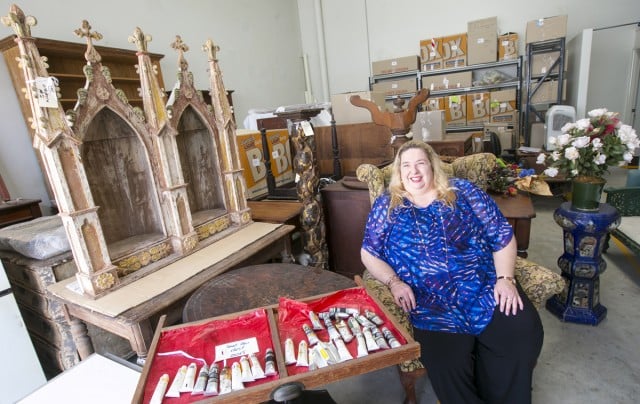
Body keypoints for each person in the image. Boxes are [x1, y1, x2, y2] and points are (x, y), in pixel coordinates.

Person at [361, 140, 543, 404]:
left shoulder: (464, 192)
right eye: (407, 166)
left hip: (483, 290)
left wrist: (505, 279)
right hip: (431, 305)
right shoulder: (386, 206)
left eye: (421, 163)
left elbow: (502, 236)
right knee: (448, 367)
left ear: (433, 166)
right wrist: (394, 282)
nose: (414, 171)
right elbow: (369, 252)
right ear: (399, 173)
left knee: (521, 333)